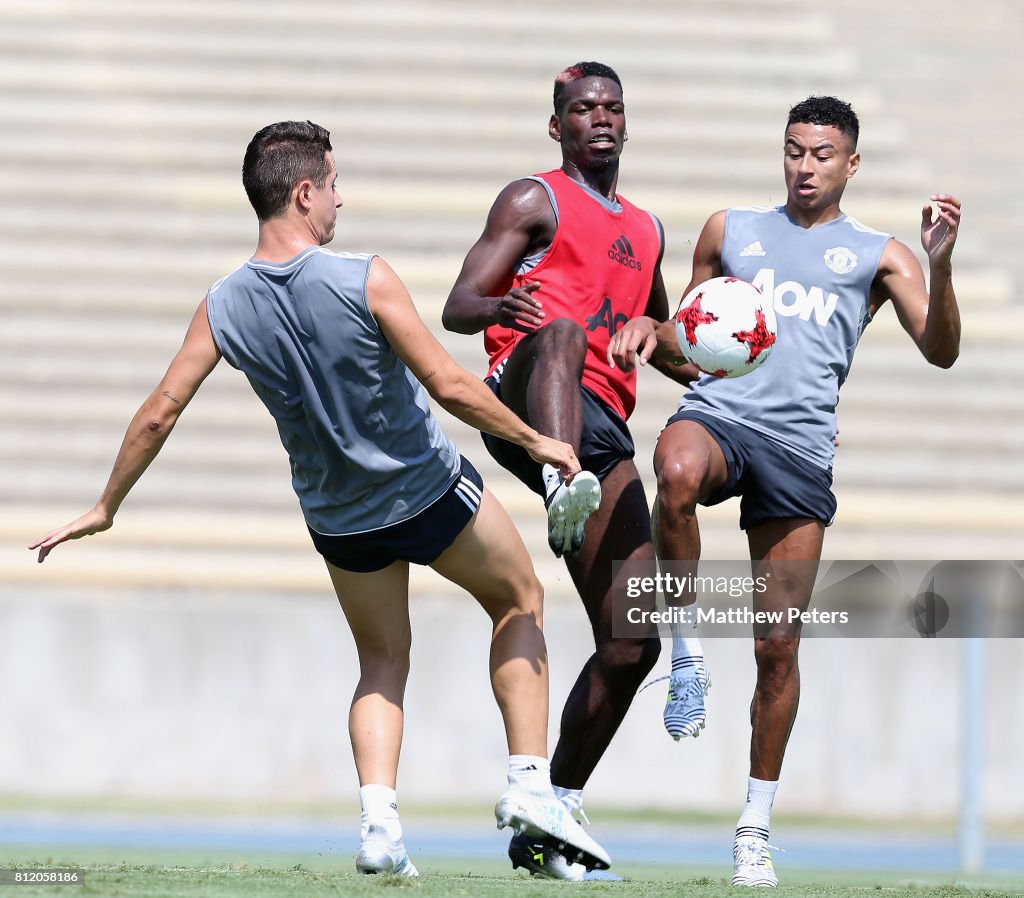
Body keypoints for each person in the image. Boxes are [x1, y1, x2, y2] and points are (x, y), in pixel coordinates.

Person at [28, 120, 614, 878]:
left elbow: (159, 409)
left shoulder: (223, 304)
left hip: (339, 521)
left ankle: (379, 827)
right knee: (520, 597)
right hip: (427, 492)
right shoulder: (363, 275)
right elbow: (448, 383)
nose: (341, 199)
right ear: (304, 193)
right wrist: (538, 443)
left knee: (380, 660)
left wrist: (107, 505)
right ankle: (532, 786)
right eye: (334, 185)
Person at [608, 96, 962, 887]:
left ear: (852, 164)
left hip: (799, 449)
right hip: (721, 419)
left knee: (776, 649)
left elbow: (940, 353)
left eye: (823, 155)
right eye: (794, 151)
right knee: (673, 470)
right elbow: (690, 349)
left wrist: (939, 264)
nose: (805, 167)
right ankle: (687, 647)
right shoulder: (729, 230)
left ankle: (753, 829)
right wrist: (647, 333)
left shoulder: (882, 255)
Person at [443, 62, 708, 880]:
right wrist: (501, 310)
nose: (600, 118)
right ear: (557, 126)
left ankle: (551, 812)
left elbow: (658, 334)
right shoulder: (533, 199)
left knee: (633, 643)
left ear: (627, 124)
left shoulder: (647, 227)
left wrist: (690, 354)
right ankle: (560, 482)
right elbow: (458, 304)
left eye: (613, 108)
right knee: (558, 332)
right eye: (583, 108)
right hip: (526, 400)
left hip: (602, 429)